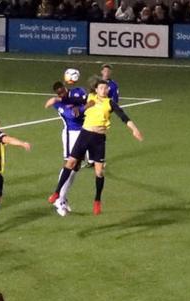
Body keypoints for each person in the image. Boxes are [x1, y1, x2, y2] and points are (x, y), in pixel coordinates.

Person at [48, 79, 142, 215]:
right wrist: (57, 100)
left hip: (98, 139)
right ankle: (57, 193)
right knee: (71, 162)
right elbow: (72, 99)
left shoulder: (109, 103)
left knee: (99, 171)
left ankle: (97, 200)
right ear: (96, 90)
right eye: (102, 88)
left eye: (106, 88)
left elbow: (123, 116)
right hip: (85, 134)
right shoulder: (90, 97)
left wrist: (134, 129)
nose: (105, 90)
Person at [44, 80, 87, 215]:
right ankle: (59, 199)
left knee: (77, 166)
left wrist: (80, 103)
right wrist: (83, 106)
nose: (61, 94)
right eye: (59, 93)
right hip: (71, 134)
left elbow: (86, 98)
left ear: (65, 87)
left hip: (85, 132)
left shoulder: (78, 91)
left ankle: (63, 197)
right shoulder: (58, 104)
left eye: (62, 91)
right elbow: (73, 115)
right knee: (69, 164)